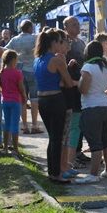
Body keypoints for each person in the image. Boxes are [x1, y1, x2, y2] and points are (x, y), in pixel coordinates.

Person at [34, 28, 76, 183]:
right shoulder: (56, 60)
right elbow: (69, 83)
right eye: (59, 41)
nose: (61, 44)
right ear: (53, 43)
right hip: (55, 99)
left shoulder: (37, 59)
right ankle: (56, 174)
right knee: (57, 138)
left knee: (52, 138)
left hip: (42, 100)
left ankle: (52, 172)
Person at [75, 40, 107, 183]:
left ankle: (93, 175)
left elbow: (84, 90)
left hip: (91, 107)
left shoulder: (87, 67)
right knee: (106, 140)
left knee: (95, 143)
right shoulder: (106, 66)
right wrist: (106, 93)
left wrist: (78, 83)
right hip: (105, 105)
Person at [7, 20, 42, 134]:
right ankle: (35, 125)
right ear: (30, 28)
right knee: (34, 99)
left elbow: (5, 49)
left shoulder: (15, 40)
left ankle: (25, 125)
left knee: (22, 99)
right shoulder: (34, 38)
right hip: (33, 70)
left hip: (20, 71)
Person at [62, 17, 87, 172]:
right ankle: (71, 157)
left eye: (78, 24)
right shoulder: (64, 43)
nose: (77, 26)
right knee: (73, 122)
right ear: (65, 27)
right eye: (73, 24)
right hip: (70, 86)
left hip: (82, 85)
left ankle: (78, 151)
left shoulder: (81, 43)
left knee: (81, 120)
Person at [0, 49, 26, 152]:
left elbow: (0, 87)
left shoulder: (2, 72)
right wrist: (24, 97)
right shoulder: (18, 73)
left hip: (5, 101)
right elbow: (21, 88)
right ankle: (15, 148)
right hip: (15, 101)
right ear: (13, 60)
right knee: (15, 125)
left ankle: (5, 147)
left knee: (6, 124)